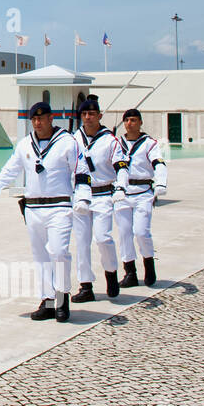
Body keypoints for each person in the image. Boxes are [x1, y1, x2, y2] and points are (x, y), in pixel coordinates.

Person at [0, 101, 88, 322]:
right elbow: (11, 167)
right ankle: (47, 300)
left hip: (59, 206)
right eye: (34, 119)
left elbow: (81, 171)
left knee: (59, 252)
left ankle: (62, 298)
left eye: (42, 118)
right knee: (41, 256)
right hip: (33, 208)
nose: (38, 123)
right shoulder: (25, 145)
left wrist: (82, 197)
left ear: (52, 118)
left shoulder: (67, 143)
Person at [71, 98, 127, 301]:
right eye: (84, 114)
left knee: (103, 238)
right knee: (82, 242)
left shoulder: (110, 140)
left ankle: (111, 272)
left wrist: (121, 187)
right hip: (80, 196)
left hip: (103, 194)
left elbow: (121, 167)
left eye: (92, 114)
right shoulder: (73, 139)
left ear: (99, 116)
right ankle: (86, 285)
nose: (88, 118)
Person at [114, 108, 167, 287]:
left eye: (134, 120)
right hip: (122, 193)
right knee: (124, 234)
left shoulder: (149, 144)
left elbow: (159, 163)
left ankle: (149, 264)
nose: (130, 123)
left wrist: (161, 183)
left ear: (140, 123)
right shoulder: (116, 143)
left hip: (143, 192)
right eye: (127, 120)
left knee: (141, 232)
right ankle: (130, 272)